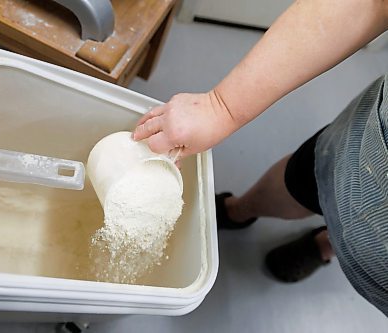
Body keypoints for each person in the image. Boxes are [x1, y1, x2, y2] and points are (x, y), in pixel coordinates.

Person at [133, 0, 388, 316]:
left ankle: (325, 245)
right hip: (365, 150)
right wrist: (220, 107)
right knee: (301, 181)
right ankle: (240, 210)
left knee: (352, 236)